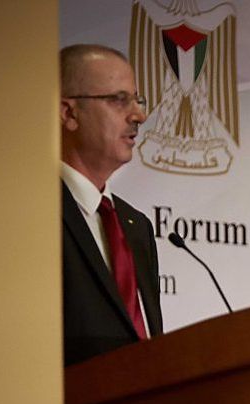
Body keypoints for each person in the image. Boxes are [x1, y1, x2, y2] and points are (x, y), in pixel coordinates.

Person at [60, 44, 163, 366]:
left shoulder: (136, 226)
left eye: (137, 99)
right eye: (119, 100)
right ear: (69, 113)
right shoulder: (32, 210)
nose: (139, 116)